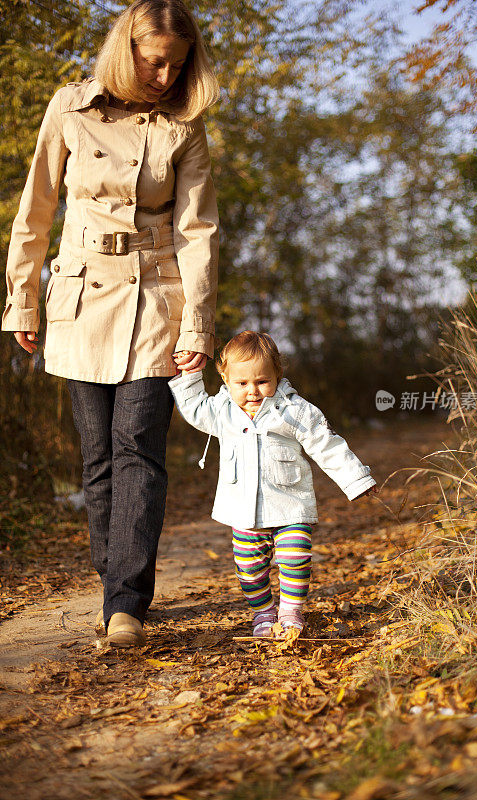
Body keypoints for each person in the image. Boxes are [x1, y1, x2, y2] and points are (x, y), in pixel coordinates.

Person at [2, 0, 220, 647]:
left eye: (176, 65)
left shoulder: (184, 125)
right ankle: (112, 581)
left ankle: (126, 600)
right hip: (78, 295)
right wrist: (23, 298)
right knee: (96, 455)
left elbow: (199, 234)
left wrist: (197, 325)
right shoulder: (69, 107)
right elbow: (36, 208)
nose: (164, 76)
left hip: (155, 298)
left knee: (137, 451)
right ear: (125, 51)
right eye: (154, 61)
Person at [169, 331, 377, 637]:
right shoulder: (221, 412)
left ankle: (291, 612)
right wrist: (190, 373)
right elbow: (195, 408)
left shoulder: (293, 411)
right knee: (250, 571)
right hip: (243, 510)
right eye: (242, 383)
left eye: (262, 381)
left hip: (290, 504)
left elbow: (326, 444)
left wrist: (356, 479)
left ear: (277, 375)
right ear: (225, 378)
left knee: (295, 559)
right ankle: (264, 614)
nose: (252, 391)